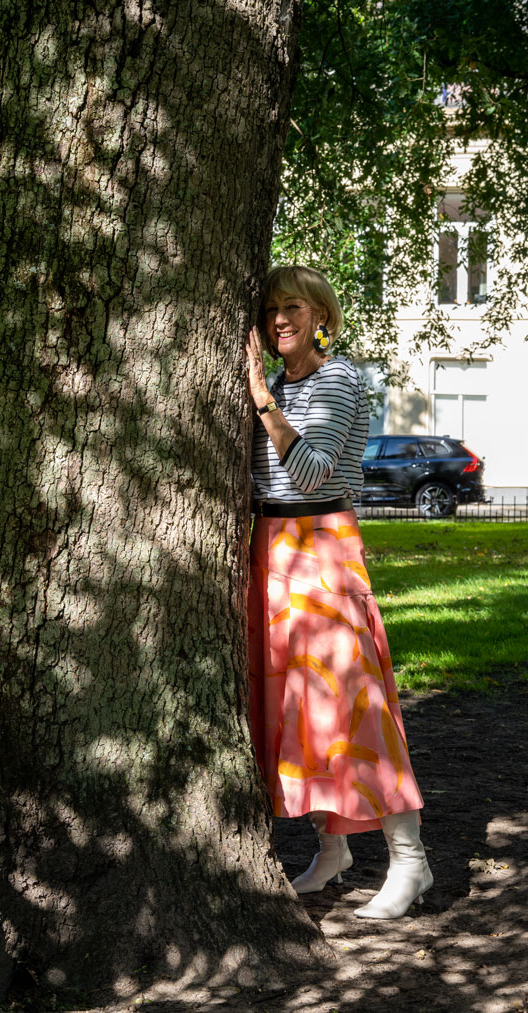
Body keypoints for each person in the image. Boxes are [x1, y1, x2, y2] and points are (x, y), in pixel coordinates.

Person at [245, 265, 433, 919]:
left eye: (291, 306)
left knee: (354, 703)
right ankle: (331, 850)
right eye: (269, 309)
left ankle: (410, 860)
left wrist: (260, 402)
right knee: (299, 709)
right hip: (269, 554)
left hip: (320, 547)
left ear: (319, 313)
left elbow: (311, 472)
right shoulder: (276, 383)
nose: (278, 319)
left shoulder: (336, 378)